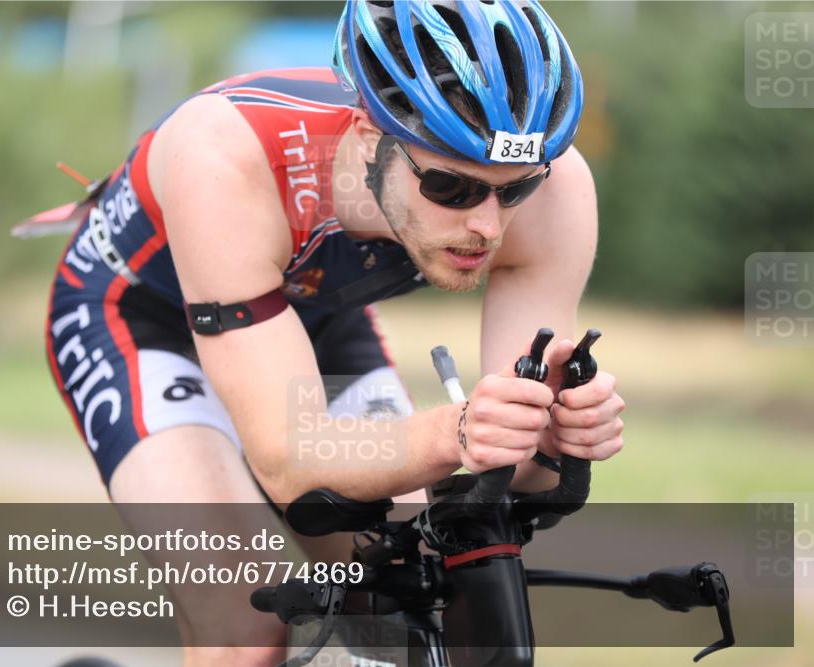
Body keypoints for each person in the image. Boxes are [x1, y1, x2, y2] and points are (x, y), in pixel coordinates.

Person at [40, 1, 625, 664]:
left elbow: (511, 472)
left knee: (416, 587)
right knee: (248, 617)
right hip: (140, 319)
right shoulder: (228, 153)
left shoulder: (558, 190)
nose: (488, 225)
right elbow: (291, 461)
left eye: (514, 189)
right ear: (369, 140)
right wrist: (454, 430)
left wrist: (553, 442)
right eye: (450, 186)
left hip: (311, 315)